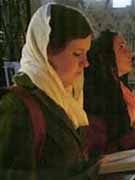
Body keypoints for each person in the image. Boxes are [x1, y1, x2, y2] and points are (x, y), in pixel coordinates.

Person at [0, 3, 95, 180]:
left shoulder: (65, 99)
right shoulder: (17, 107)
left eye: (86, 53)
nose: (86, 63)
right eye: (77, 54)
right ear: (45, 52)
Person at [84, 30, 135, 154]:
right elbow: (104, 147)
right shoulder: (99, 92)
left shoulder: (120, 87)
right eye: (121, 47)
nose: (129, 53)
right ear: (106, 55)